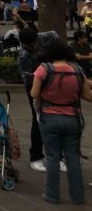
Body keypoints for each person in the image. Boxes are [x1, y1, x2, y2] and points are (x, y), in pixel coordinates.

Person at [31, 40, 91, 204]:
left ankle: (52, 195)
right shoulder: (78, 70)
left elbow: (34, 93)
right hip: (72, 117)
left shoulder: (43, 69)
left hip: (49, 117)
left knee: (52, 158)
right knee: (72, 158)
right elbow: (88, 96)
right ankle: (78, 197)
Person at [17, 26, 46, 173]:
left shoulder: (43, 37)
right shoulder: (23, 55)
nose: (35, 46)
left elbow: (54, 35)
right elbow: (28, 80)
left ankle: (58, 157)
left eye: (35, 43)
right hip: (35, 88)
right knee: (38, 119)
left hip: (50, 83)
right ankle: (36, 157)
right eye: (31, 45)